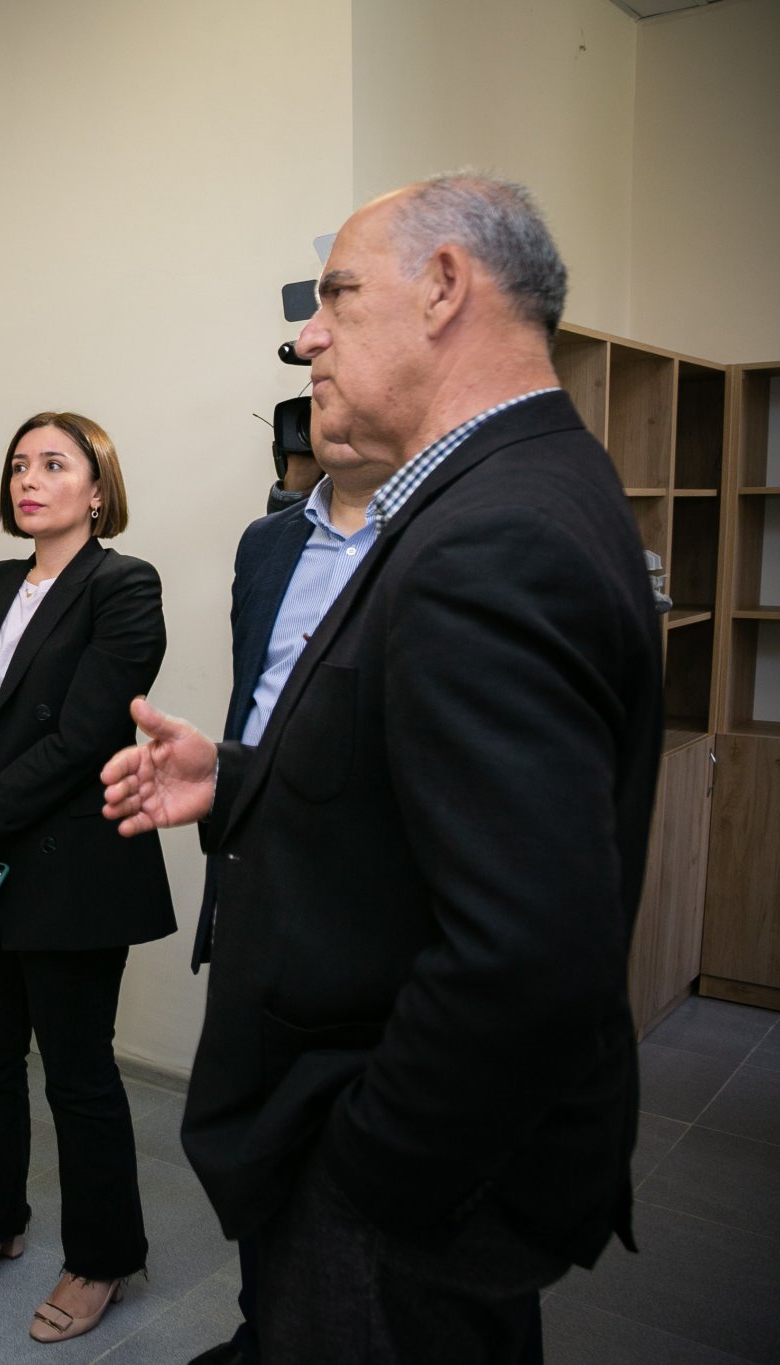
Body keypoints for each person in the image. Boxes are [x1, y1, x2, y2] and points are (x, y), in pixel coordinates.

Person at [101, 175, 662, 1365]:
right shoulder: (507, 487)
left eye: (337, 297)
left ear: (444, 287)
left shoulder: (490, 532)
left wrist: (365, 1177)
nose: (305, 336)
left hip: (400, 1190)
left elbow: (524, 953)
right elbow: (414, 795)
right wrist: (240, 779)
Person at [0, 411, 173, 1347]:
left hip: (71, 867)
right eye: (20, 464)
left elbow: (85, 734)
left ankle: (103, 1256)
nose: (29, 479)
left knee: (77, 1072)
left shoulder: (123, 585)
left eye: (54, 464)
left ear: (97, 491)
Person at [183, 407, 392, 1365]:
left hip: (370, 907)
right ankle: (265, 1329)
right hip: (257, 881)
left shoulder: (440, 538)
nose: (328, 401)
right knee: (259, 1148)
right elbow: (257, 707)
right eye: (313, 388)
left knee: (364, 1199)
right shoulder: (267, 545)